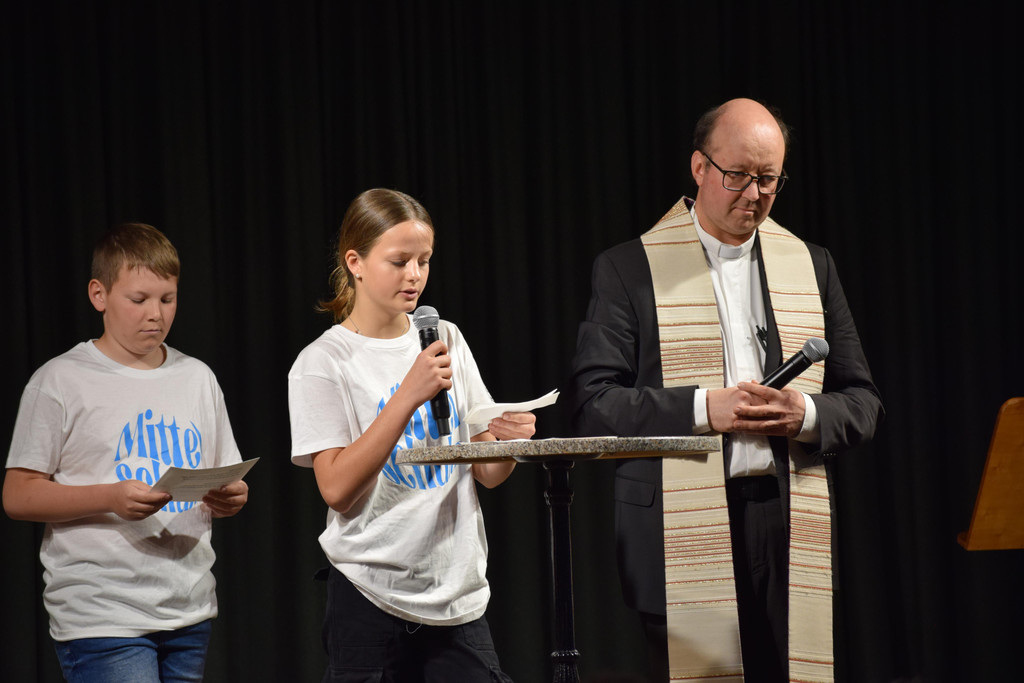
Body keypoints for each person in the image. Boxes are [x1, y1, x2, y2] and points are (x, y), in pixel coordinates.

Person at [569, 99, 883, 682]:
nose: (754, 195)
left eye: (769, 179)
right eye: (738, 175)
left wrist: (805, 412)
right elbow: (595, 405)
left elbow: (863, 402)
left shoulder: (810, 265)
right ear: (699, 167)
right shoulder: (628, 269)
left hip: (787, 518)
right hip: (677, 527)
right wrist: (703, 408)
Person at [287, 188, 535, 682]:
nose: (415, 275)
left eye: (424, 260)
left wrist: (508, 440)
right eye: (399, 261)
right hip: (369, 595)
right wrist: (406, 396)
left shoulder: (446, 337)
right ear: (355, 262)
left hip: (455, 594)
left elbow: (487, 472)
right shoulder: (323, 361)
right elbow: (336, 489)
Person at [3, 222, 249, 682]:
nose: (155, 314)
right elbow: (18, 495)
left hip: (188, 608)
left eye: (167, 299)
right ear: (99, 294)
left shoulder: (197, 378)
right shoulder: (60, 380)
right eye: (139, 300)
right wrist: (110, 497)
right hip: (101, 613)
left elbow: (223, 474)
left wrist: (231, 495)